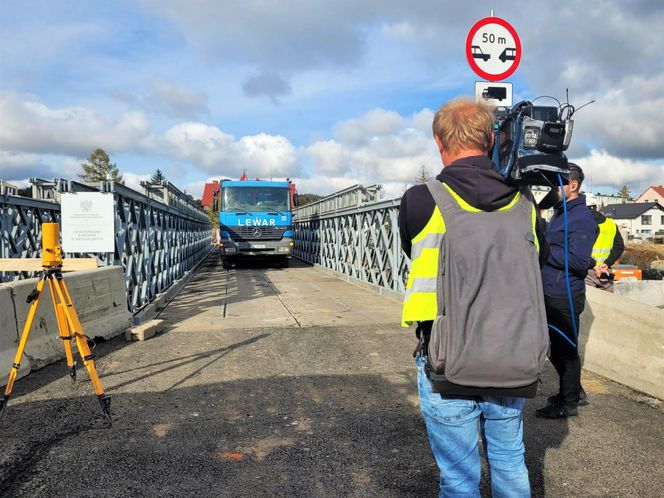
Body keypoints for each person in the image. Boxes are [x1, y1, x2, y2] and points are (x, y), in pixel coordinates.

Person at [399, 98, 548, 497]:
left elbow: (408, 248)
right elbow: (542, 256)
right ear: (491, 139)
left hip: (446, 359)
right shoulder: (524, 202)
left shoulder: (420, 199)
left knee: (459, 477)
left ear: (438, 141)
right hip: (510, 356)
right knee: (510, 459)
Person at [536, 164, 598, 419]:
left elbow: (580, 262)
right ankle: (574, 391)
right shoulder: (560, 213)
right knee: (554, 347)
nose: (554, 189)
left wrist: (544, 249)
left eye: (558, 184)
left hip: (565, 295)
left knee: (565, 349)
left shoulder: (581, 217)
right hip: (551, 289)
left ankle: (568, 401)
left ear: (573, 185)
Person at [585, 205, 624, 292]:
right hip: (605, 271)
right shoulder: (611, 224)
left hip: (587, 271)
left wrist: (594, 265)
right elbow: (619, 247)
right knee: (607, 303)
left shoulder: (581, 223)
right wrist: (607, 264)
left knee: (588, 303)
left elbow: (577, 249)